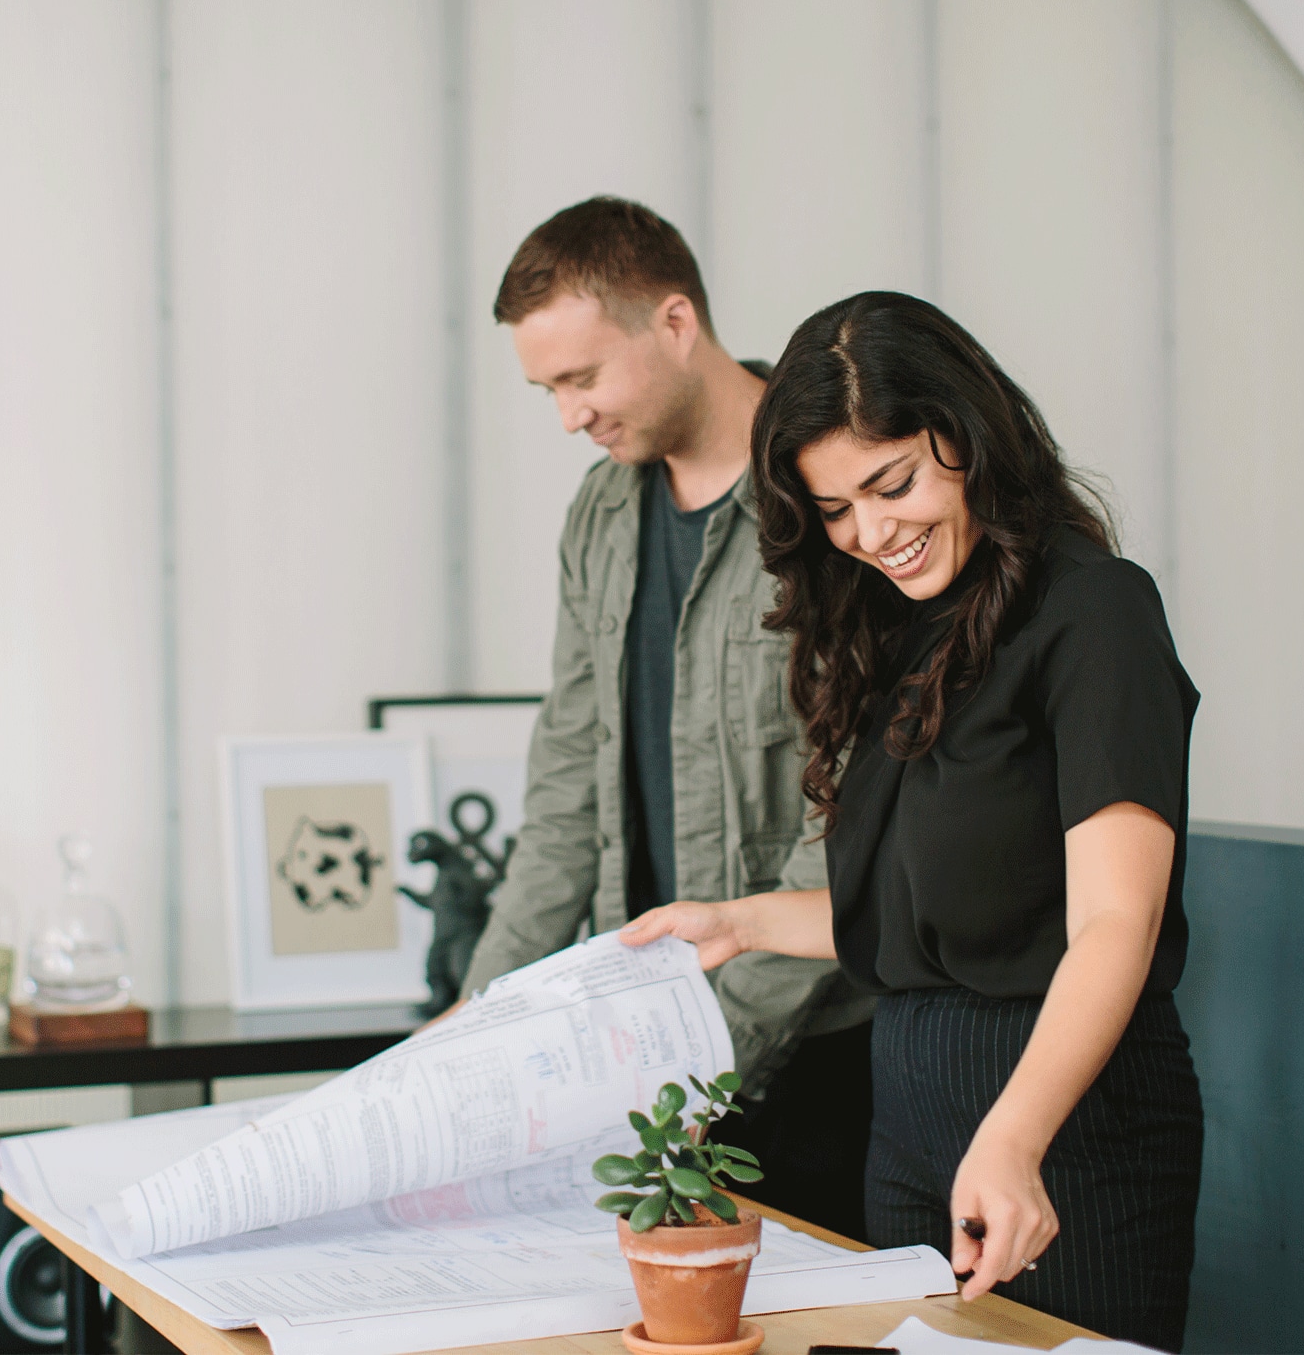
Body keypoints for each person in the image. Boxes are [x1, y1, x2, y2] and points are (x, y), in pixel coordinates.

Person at [620, 291, 1204, 1350]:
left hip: (1061, 1122)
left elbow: (1114, 923)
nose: (871, 532)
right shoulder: (908, 629)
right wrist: (740, 922)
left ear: (968, 437)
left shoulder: (1096, 612)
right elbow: (927, 917)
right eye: (836, 509)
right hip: (911, 1117)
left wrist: (1016, 1137)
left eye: (890, 484)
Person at [454, 198, 878, 1240]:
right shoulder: (600, 513)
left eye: (581, 377)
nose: (568, 416)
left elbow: (853, 818)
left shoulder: (834, 498)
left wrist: (693, 1069)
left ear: (676, 324)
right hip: (642, 1057)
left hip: (819, 1054)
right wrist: (474, 1030)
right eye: (546, 387)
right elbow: (565, 792)